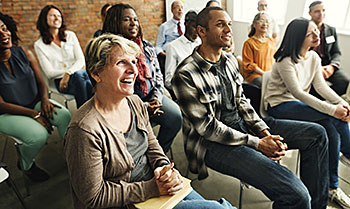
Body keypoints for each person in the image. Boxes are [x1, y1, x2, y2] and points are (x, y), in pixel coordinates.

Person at [173, 7, 329, 209]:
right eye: (221, 24)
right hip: (213, 145)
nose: (229, 29)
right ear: (202, 31)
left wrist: (265, 132)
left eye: (229, 24)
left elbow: (242, 102)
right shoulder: (185, 74)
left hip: (243, 127)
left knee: (317, 134)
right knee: (296, 195)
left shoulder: (229, 61)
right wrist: (258, 143)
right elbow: (208, 128)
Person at [64, 33, 235, 209]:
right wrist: (152, 188)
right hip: (129, 201)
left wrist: (163, 167)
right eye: (121, 63)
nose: (133, 70)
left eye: (133, 61)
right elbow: (93, 197)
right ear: (96, 73)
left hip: (154, 186)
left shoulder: (135, 102)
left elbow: (151, 145)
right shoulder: (84, 130)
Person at [264, 17, 350, 209]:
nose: (316, 34)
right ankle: (348, 151)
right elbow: (299, 93)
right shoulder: (285, 60)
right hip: (279, 106)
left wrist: (342, 104)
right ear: (299, 38)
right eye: (310, 33)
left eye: (316, 31)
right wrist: (332, 109)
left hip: (296, 105)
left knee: (331, 124)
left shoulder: (314, 57)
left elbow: (320, 87)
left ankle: (331, 187)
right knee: (331, 116)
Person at [0, 13, 71, 182]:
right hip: (7, 114)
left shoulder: (25, 52)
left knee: (64, 116)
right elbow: (1, 105)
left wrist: (45, 100)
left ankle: (74, 157)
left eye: (4, 29)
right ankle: (26, 165)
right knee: (38, 135)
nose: (4, 35)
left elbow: (41, 83)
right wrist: (35, 115)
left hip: (36, 102)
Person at [102, 3, 182, 153]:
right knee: (132, 134)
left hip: (151, 97)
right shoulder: (108, 53)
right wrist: (144, 108)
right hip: (122, 104)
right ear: (114, 22)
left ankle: (160, 153)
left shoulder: (147, 47)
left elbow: (158, 76)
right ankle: (139, 158)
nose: (133, 23)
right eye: (126, 20)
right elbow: (113, 92)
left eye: (136, 19)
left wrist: (156, 99)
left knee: (175, 117)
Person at [34, 5, 93, 108]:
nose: (57, 18)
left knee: (80, 77)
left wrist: (68, 73)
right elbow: (49, 73)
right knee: (87, 83)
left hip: (79, 76)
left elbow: (81, 60)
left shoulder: (70, 35)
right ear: (44, 19)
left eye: (59, 16)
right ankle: (91, 110)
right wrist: (67, 75)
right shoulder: (39, 45)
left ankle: (83, 112)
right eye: (53, 15)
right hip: (60, 82)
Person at [308, 1, 350, 98]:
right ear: (310, 13)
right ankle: (313, 100)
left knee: (344, 82)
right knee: (312, 84)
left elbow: (336, 52)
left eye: (323, 10)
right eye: (317, 11)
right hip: (310, 65)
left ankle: (322, 99)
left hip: (328, 65)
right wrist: (317, 69)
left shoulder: (331, 30)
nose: (321, 14)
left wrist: (332, 67)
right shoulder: (304, 29)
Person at [164, 10, 200, 92]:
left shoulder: (202, 44)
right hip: (185, 91)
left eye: (199, 28)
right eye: (194, 27)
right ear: (186, 24)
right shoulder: (173, 47)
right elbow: (168, 80)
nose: (197, 31)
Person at [242, 12, 276, 87]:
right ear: (254, 24)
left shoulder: (270, 41)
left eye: (267, 21)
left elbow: (275, 59)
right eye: (261, 21)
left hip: (270, 74)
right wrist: (264, 74)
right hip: (256, 75)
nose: (265, 24)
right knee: (268, 85)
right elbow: (249, 65)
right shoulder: (249, 43)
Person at [156, 0, 184, 76]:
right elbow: (158, 46)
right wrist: (165, 55)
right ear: (172, 10)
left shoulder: (185, 26)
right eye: (177, 7)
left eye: (182, 7)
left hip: (182, 56)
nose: (180, 10)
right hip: (168, 55)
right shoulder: (164, 26)